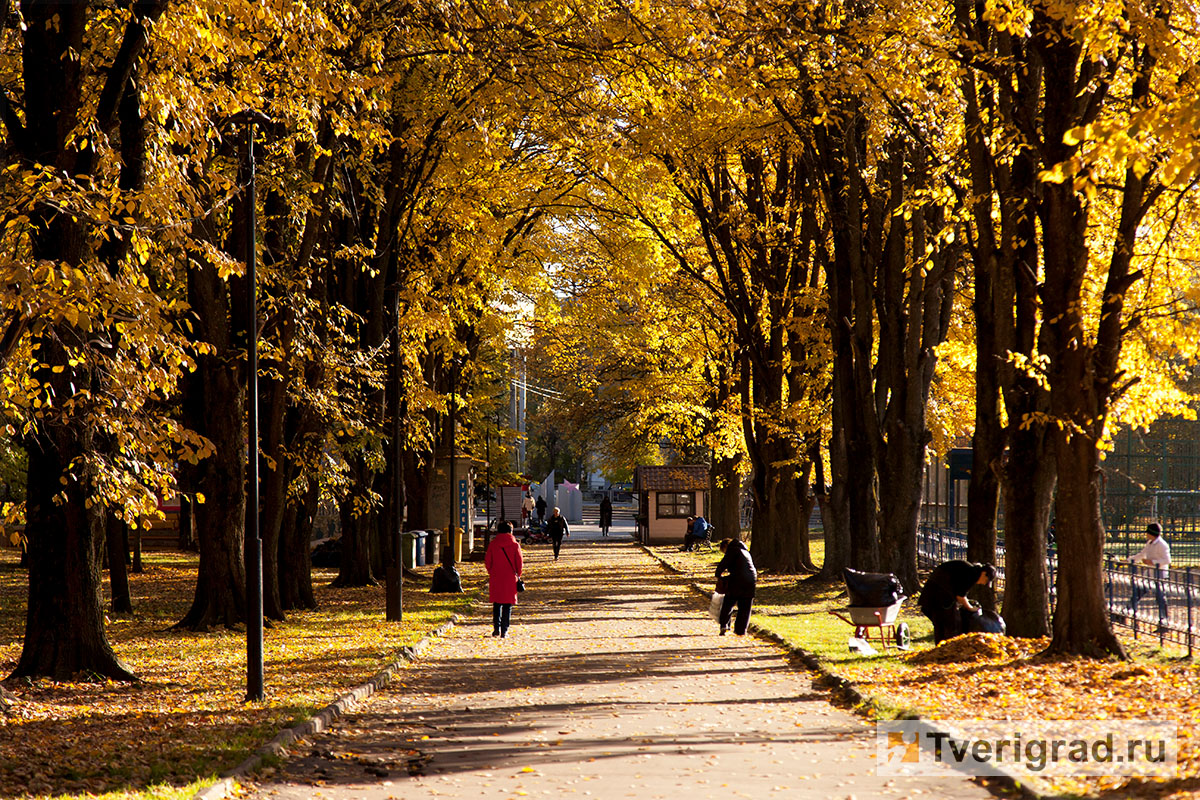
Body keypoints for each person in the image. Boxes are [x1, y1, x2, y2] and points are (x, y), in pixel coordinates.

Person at [918, 560, 996, 644]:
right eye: (986, 580)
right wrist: (970, 608)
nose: (984, 583)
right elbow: (960, 596)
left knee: (941, 625)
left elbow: (959, 592)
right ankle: (948, 649)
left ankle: (941, 649)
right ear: (984, 573)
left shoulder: (970, 569)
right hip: (938, 597)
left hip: (932, 595)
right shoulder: (972, 574)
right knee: (952, 624)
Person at [484, 520, 523, 637]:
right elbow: (519, 563)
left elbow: (488, 561)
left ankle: (496, 628)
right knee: (508, 604)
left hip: (496, 576)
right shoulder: (515, 545)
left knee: (497, 604)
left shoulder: (493, 544)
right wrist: (517, 575)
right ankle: (504, 630)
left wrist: (492, 572)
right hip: (510, 577)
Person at [1128, 522, 1171, 629]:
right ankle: (1125, 612)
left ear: (1152, 533)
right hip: (1150, 573)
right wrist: (1129, 560)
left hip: (1160, 573)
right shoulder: (1149, 543)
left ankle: (1164, 622)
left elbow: (1167, 560)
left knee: (1160, 597)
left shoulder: (1162, 545)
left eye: (1148, 533)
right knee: (1138, 592)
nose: (1146, 535)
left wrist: (1153, 562)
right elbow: (1142, 554)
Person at [715, 538, 756, 635]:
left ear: (725, 546)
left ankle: (724, 625)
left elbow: (723, 564)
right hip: (751, 579)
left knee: (728, 602)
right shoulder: (745, 551)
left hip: (737, 579)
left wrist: (718, 575)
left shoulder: (732, 550)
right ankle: (741, 630)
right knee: (745, 606)